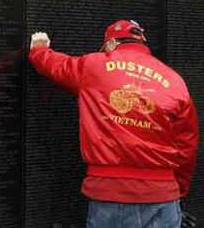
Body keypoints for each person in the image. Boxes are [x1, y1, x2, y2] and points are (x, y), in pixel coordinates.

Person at [28, 20, 199, 228]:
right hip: (164, 197)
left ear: (110, 44)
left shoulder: (95, 65)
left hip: (111, 195)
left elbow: (59, 66)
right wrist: (175, 190)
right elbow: (186, 144)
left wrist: (39, 51)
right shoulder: (175, 80)